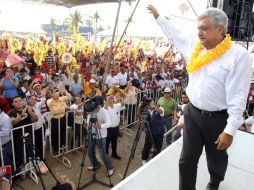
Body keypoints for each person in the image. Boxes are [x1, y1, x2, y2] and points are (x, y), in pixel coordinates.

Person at [148, 5, 252, 190]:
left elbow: (238, 97)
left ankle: (214, 183)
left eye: (204, 28)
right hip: (193, 114)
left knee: (216, 159)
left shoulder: (238, 56)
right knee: (186, 160)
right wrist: (158, 17)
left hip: (218, 119)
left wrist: (229, 131)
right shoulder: (193, 43)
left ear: (220, 30)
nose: (199, 33)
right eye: (198, 28)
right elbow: (174, 32)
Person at [86, 98, 114, 176]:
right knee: (89, 151)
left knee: (102, 154)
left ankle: (110, 168)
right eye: (94, 108)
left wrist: (100, 126)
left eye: (97, 108)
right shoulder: (91, 110)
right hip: (91, 134)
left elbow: (109, 123)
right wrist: (87, 125)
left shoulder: (104, 111)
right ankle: (95, 164)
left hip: (101, 135)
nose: (95, 110)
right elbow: (88, 122)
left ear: (99, 106)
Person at [138, 99, 164, 165]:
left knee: (158, 146)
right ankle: (144, 158)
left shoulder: (159, 108)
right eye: (150, 103)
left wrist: (154, 107)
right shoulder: (145, 111)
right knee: (147, 146)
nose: (152, 103)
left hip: (159, 132)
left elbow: (161, 111)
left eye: (153, 102)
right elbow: (139, 117)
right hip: (149, 132)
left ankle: (155, 158)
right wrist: (139, 108)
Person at [105, 94, 124, 160]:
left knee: (114, 142)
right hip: (108, 129)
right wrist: (107, 102)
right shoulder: (105, 108)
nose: (110, 100)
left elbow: (123, 103)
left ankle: (114, 153)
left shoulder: (117, 106)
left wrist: (120, 98)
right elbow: (105, 108)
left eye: (111, 98)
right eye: (108, 99)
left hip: (116, 128)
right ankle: (106, 155)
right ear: (106, 101)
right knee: (107, 143)